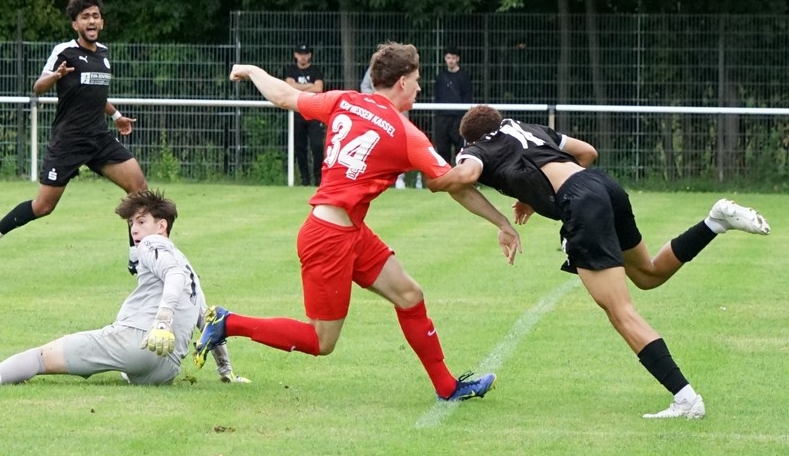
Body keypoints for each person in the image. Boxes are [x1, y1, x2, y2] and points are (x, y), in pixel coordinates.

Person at [193, 42, 521, 403]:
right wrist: (500, 211)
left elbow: (285, 96)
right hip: (328, 239)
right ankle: (227, 322)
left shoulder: (344, 100)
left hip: (348, 231)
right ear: (401, 82)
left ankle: (448, 388)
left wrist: (252, 70)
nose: (419, 87)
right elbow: (455, 185)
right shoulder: (406, 134)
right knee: (321, 341)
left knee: (409, 295)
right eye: (416, 79)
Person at [439, 104, 771, 419]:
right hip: (602, 184)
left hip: (581, 202)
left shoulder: (476, 149)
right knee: (648, 274)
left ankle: (686, 399)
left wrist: (437, 181)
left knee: (621, 312)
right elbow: (587, 153)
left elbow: (465, 176)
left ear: (469, 140)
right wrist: (533, 196)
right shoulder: (525, 128)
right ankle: (716, 221)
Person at [0, 190, 248, 388]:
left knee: (40, 358)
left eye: (141, 222)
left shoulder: (154, 246)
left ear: (161, 225)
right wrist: (226, 371)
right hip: (165, 369)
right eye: (132, 224)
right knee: (123, 369)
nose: (135, 230)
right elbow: (209, 322)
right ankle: (125, 367)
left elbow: (173, 276)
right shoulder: (189, 267)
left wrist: (162, 322)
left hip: (138, 341)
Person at [0, 0, 147, 270]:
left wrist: (116, 116)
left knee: (138, 187)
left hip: (98, 138)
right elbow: (37, 87)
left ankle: (136, 257)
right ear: (75, 24)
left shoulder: (104, 55)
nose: (91, 21)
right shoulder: (64, 52)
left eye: (95, 16)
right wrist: (55, 76)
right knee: (43, 206)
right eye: (85, 17)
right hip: (69, 141)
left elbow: (95, 94)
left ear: (102, 22)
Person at [283, 43, 325, 186]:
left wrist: (299, 89)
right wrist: (309, 87)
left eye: (306, 54)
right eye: (300, 54)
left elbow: (319, 88)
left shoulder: (315, 70)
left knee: (317, 146)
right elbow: (289, 87)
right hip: (297, 112)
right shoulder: (291, 70)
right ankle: (304, 180)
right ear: (295, 55)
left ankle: (318, 179)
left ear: (310, 55)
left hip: (314, 112)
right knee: (299, 147)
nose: (303, 57)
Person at [433, 46, 473, 164]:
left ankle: (461, 173)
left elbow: (467, 97)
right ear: (445, 59)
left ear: (458, 59)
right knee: (442, 150)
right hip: (442, 118)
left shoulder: (464, 77)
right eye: (448, 57)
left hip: (459, 118)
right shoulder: (440, 77)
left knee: (461, 150)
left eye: (453, 58)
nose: (451, 61)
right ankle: (444, 174)